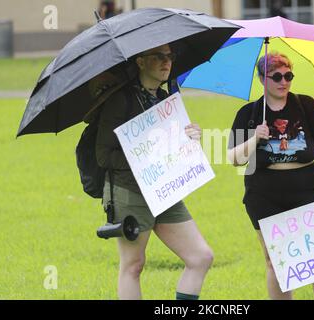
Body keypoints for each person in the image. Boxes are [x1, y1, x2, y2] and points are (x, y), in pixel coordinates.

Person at [95, 44, 214, 300]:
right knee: (134, 265)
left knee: (201, 257)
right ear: (140, 62)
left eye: (170, 56)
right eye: (158, 57)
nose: (166, 62)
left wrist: (189, 137)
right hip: (129, 191)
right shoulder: (121, 100)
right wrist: (143, 156)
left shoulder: (165, 99)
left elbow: (171, 148)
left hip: (164, 189)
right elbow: (103, 155)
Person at [227, 52, 314, 300]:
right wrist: (255, 138)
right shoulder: (249, 113)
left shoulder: (306, 105)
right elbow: (234, 158)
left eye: (288, 75)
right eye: (276, 76)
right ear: (261, 79)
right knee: (276, 260)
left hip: (307, 189)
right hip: (264, 194)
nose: (284, 81)